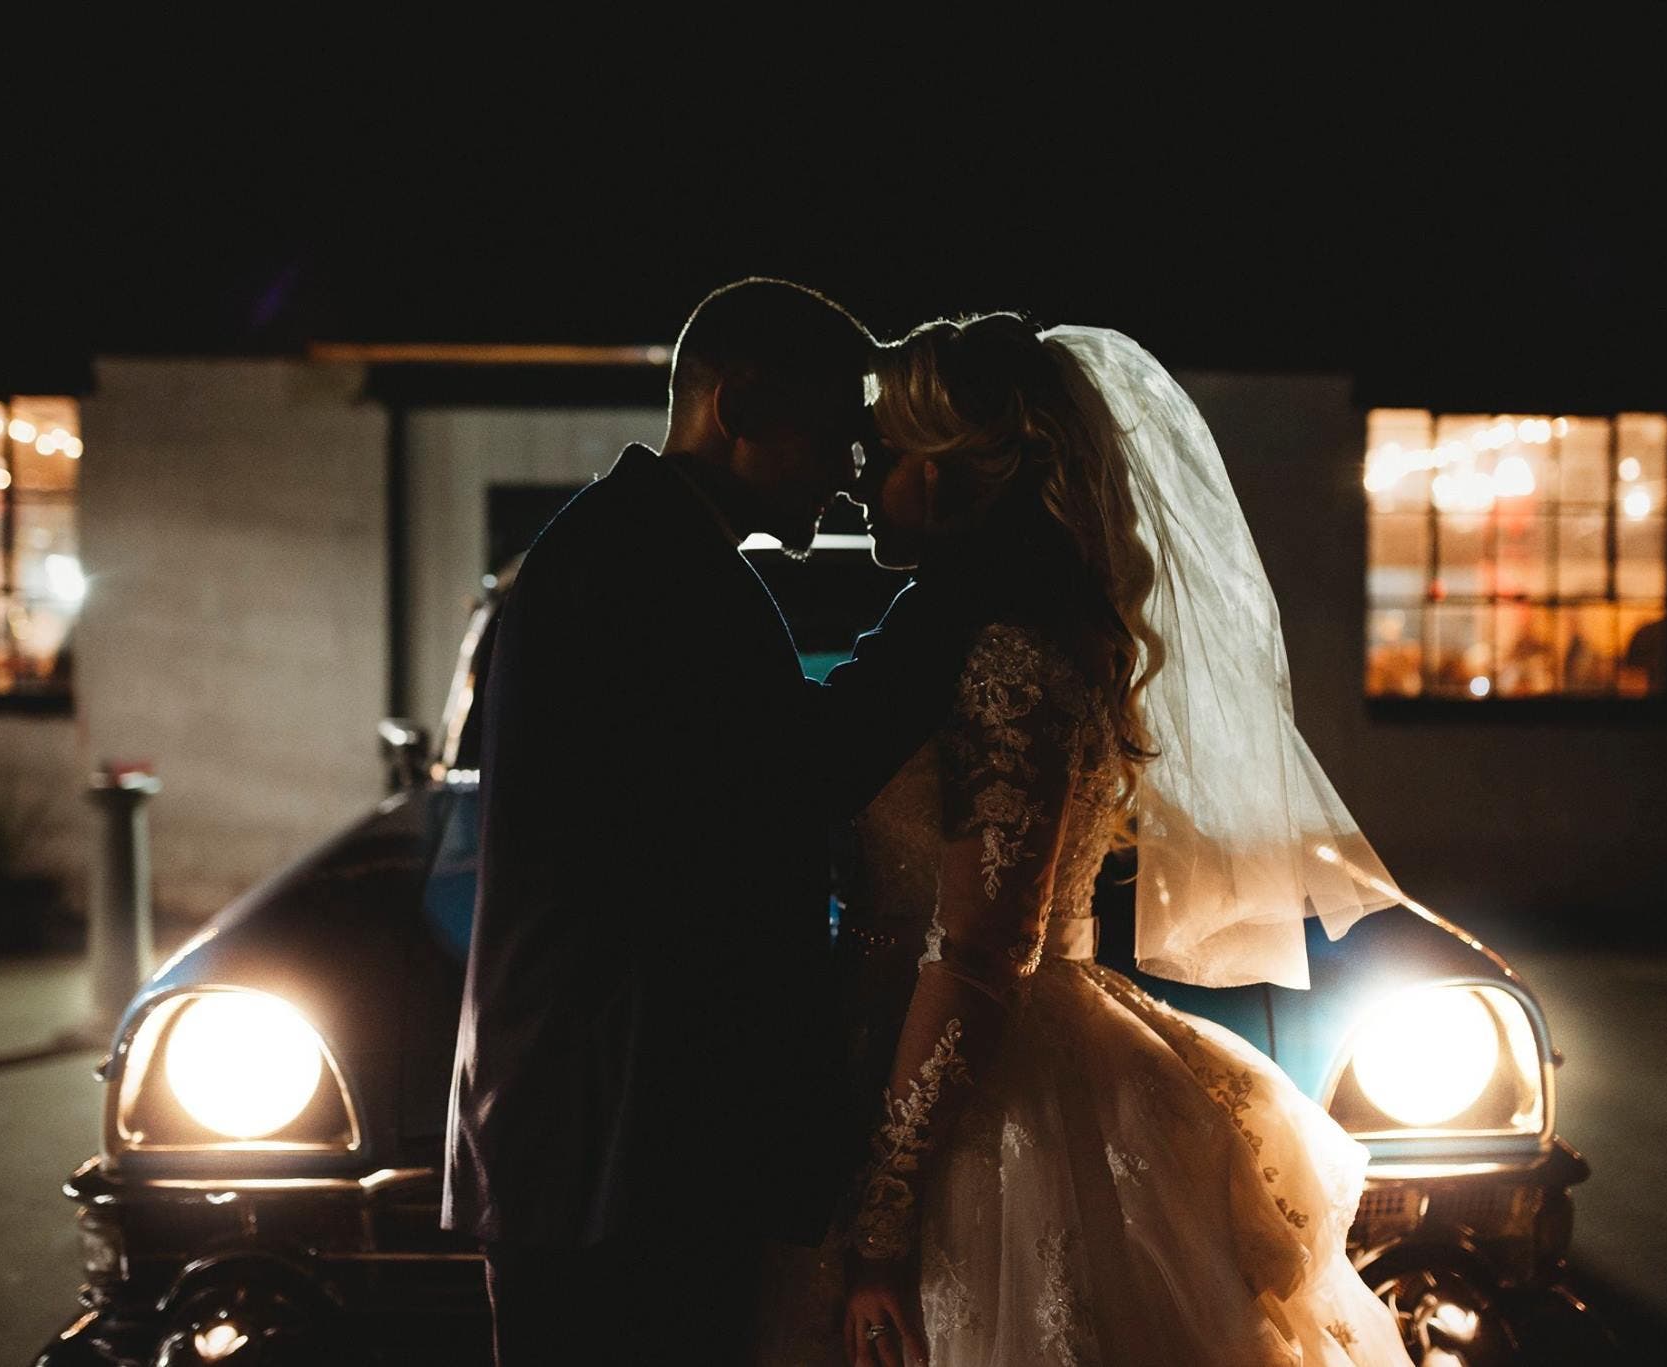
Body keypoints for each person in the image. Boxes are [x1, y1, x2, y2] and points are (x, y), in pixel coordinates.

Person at [768, 315, 1414, 1366]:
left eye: (881, 452)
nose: (858, 479)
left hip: (976, 1092)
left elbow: (978, 949)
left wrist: (885, 1216)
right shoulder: (984, 630)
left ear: (945, 469)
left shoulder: (1005, 654)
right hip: (908, 1047)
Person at [444, 279, 970, 1366]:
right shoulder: (644, 566)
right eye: (833, 433)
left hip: (612, 1146)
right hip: (612, 1157)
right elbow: (805, 768)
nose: (848, 472)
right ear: (738, 406)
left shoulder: (641, 544)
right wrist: (959, 595)